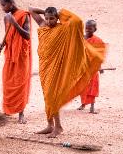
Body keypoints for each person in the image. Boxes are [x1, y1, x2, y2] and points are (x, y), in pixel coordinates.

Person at [29, 7, 105, 137]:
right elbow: (31, 10)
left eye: (52, 18)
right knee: (47, 96)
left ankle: (58, 127)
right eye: (47, 18)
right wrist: (46, 12)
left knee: (53, 96)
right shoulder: (43, 26)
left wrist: (60, 14)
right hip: (44, 67)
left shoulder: (63, 29)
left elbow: (77, 21)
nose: (48, 21)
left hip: (56, 69)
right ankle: (49, 125)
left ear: (57, 18)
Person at [0, 0, 32, 124]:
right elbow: (8, 35)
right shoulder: (6, 17)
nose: (2, 8)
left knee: (20, 82)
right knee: (7, 81)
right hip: (9, 54)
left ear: (11, 3)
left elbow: (27, 36)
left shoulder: (24, 15)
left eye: (4, 5)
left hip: (21, 56)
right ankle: (7, 109)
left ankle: (21, 113)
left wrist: (15, 24)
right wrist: (2, 43)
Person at [78, 20, 107, 114]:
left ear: (95, 29)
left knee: (93, 88)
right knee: (82, 87)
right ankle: (83, 104)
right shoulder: (81, 38)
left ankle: (92, 107)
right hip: (82, 68)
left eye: (90, 28)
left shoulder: (98, 41)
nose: (87, 30)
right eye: (86, 28)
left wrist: (100, 66)